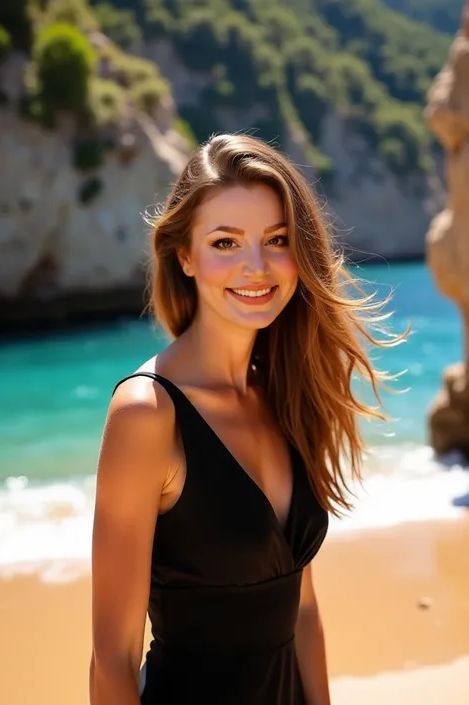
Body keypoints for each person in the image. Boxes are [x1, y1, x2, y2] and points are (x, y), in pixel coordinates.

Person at [89, 133, 397, 705]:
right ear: (185, 255)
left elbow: (302, 606)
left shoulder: (287, 392)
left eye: (277, 240)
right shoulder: (147, 413)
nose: (256, 267)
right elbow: (112, 660)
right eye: (226, 242)